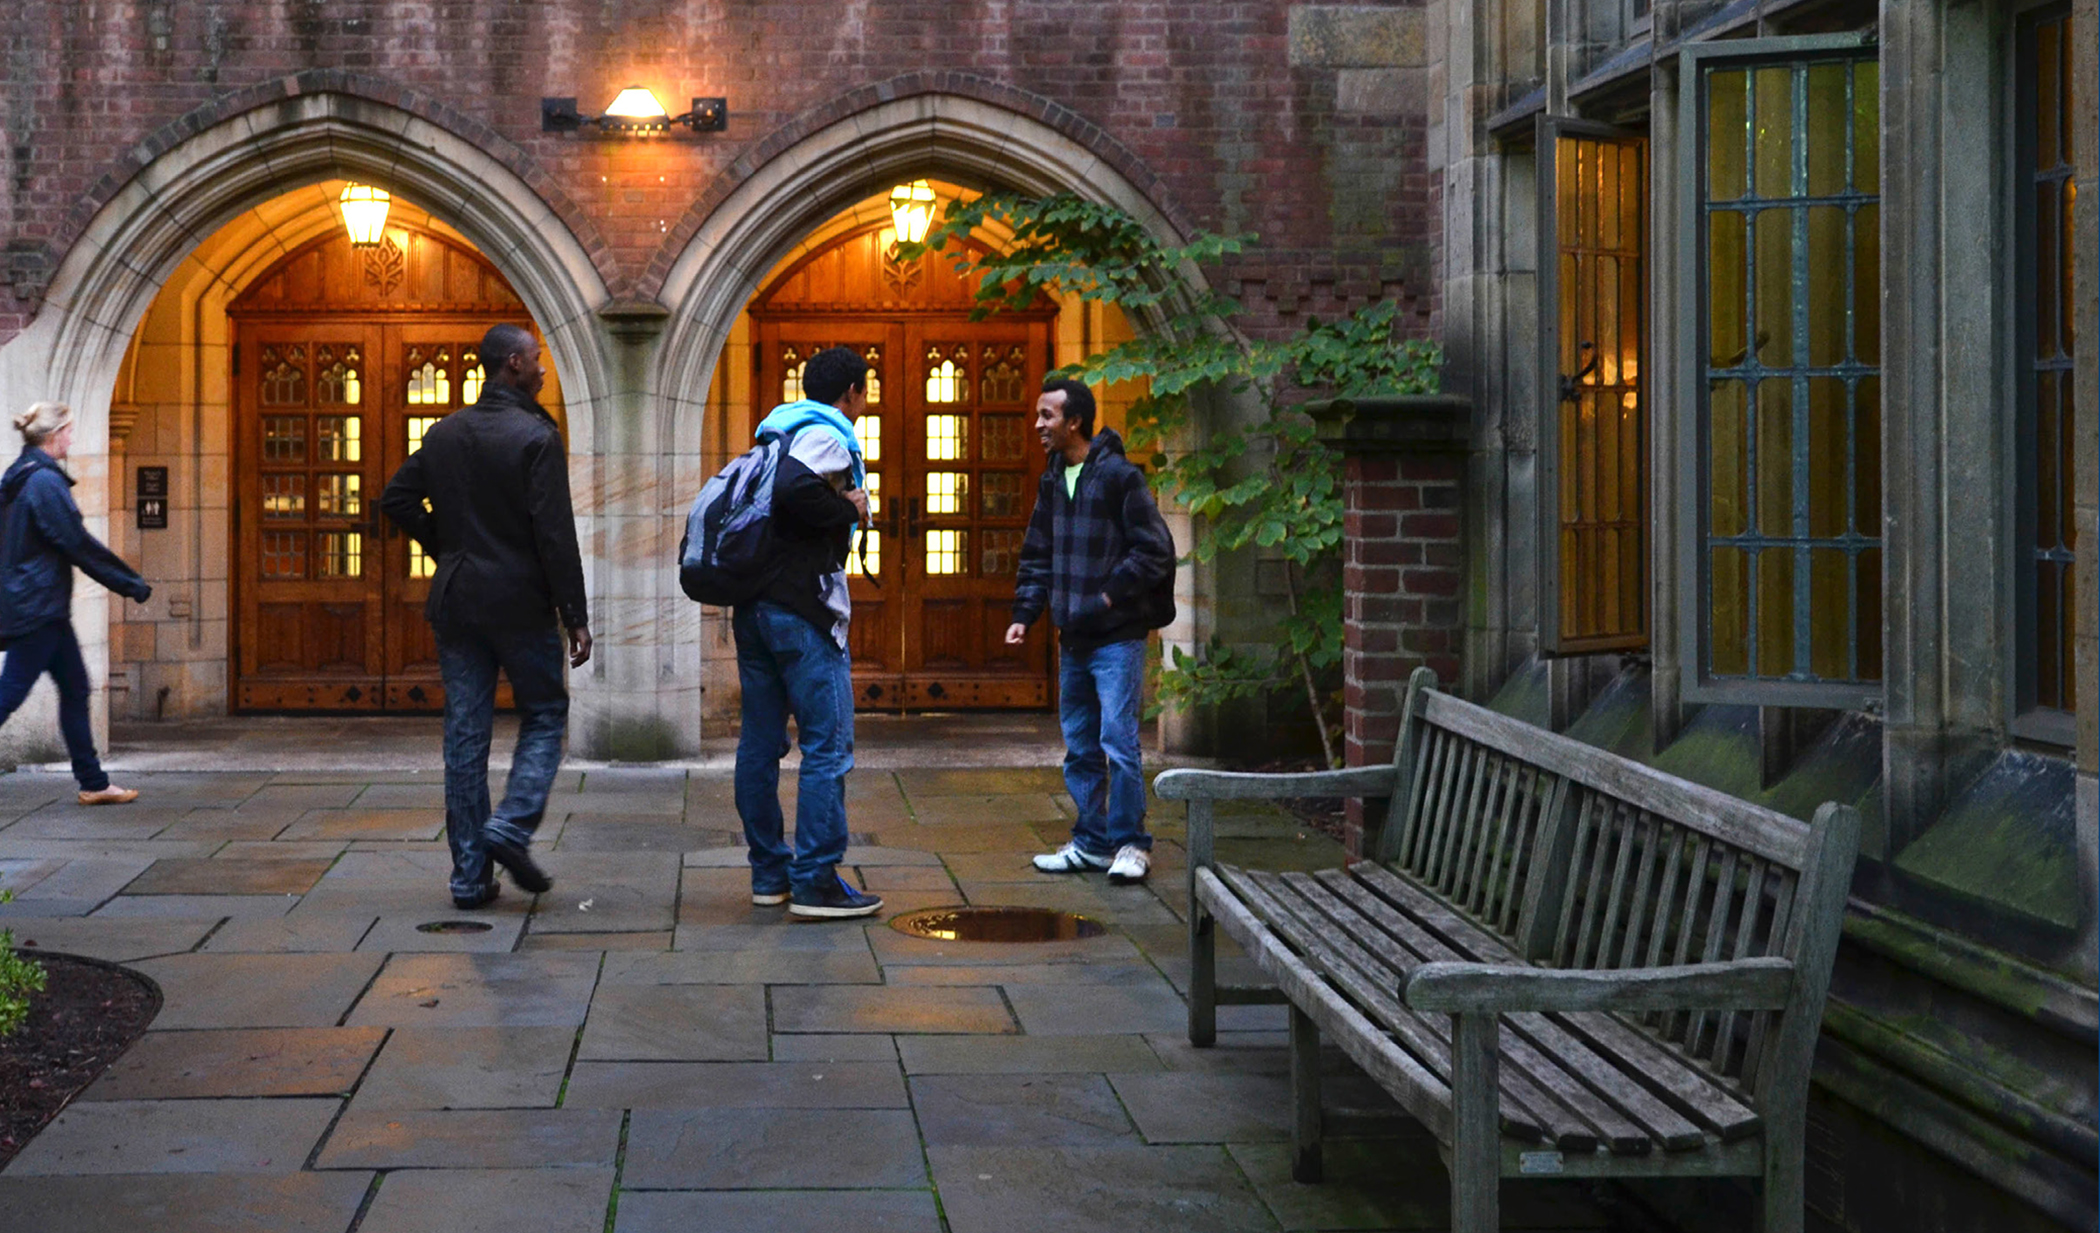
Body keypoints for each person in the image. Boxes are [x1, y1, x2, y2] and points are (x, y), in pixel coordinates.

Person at [381, 324, 591, 910]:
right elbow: (555, 536)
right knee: (546, 712)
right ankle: (512, 824)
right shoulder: (536, 437)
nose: (544, 370)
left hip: (457, 599)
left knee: (465, 735)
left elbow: (396, 497)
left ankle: (469, 877)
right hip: (520, 601)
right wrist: (574, 614)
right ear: (514, 364)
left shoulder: (445, 432)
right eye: (538, 361)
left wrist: (446, 548)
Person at [1006, 378, 1176, 884]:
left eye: (1046, 416)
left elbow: (1154, 551)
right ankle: (1091, 842)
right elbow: (1038, 553)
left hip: (1117, 637)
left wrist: (1107, 595)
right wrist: (1024, 613)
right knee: (1080, 745)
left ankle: (1131, 845)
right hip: (1073, 638)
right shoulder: (1053, 478)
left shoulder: (1120, 477)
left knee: (1118, 742)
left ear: (1073, 421)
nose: (1038, 425)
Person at [734, 345, 883, 920]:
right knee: (828, 743)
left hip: (756, 607)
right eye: (864, 394)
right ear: (851, 392)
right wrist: (849, 507)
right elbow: (795, 491)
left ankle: (769, 874)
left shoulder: (775, 431)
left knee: (760, 743)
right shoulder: (823, 432)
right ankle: (816, 879)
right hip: (801, 610)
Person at [0, 402, 151, 805]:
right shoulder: (43, 484)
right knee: (8, 695)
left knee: (75, 689)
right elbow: (77, 544)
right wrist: (129, 582)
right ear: (52, 437)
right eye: (68, 431)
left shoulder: (20, 478)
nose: (72, 438)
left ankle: (94, 782)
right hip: (38, 609)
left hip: (39, 605)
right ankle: (93, 781)